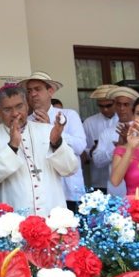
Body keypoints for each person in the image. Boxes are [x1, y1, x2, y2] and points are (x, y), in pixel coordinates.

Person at [0, 85, 78, 216]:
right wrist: (12, 146)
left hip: (52, 215)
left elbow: (70, 169)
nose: (15, 113)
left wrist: (56, 143)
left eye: (19, 106)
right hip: (14, 219)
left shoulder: (47, 130)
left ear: (27, 106)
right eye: (7, 109)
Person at [21, 72, 85, 210]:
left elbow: (79, 147)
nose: (33, 94)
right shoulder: (26, 122)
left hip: (69, 189)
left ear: (50, 91)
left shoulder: (69, 115)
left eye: (37, 89)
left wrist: (51, 128)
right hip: (43, 193)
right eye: (29, 91)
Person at [91, 86, 139, 198]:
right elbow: (97, 161)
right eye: (118, 104)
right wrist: (118, 148)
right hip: (116, 192)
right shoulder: (107, 132)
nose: (121, 108)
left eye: (126, 104)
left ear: (134, 106)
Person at [82, 85, 119, 192]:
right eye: (101, 106)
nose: (105, 109)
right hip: (99, 180)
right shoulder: (89, 123)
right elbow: (82, 149)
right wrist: (91, 152)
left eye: (108, 105)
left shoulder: (125, 121)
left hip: (122, 180)